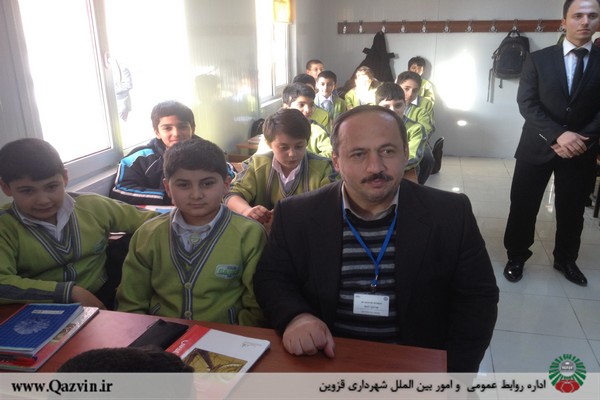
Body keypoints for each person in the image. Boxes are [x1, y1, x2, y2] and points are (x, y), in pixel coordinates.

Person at [254, 105, 498, 373]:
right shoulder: (296, 214)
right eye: (358, 154)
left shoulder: (450, 214)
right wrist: (296, 317)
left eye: (388, 151)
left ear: (406, 153)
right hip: (323, 361)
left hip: (415, 367)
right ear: (336, 161)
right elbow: (272, 277)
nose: (375, 167)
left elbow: (478, 299)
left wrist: (453, 375)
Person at [116, 139, 266, 326]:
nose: (196, 195)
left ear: (226, 184)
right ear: (168, 188)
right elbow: (131, 302)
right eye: (183, 185)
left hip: (227, 336)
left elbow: (257, 306)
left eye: (207, 183)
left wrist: (237, 335)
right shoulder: (148, 234)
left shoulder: (250, 234)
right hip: (160, 336)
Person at [503, 0, 600, 287]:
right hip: (536, 145)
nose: (585, 21)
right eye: (578, 15)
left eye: (592, 16)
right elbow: (527, 103)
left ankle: (566, 259)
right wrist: (559, 135)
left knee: (572, 210)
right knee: (523, 205)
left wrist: (581, 138)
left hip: (582, 149)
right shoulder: (539, 59)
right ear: (564, 21)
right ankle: (516, 256)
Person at [0, 138, 158, 309]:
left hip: (106, 294)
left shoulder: (93, 205)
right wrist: (68, 292)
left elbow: (154, 222)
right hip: (41, 308)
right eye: (27, 191)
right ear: (6, 188)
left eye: (51, 187)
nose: (43, 200)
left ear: (65, 178)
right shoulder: (5, 226)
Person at [225, 108, 335, 228]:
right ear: (269, 144)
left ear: (307, 142)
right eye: (284, 147)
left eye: (299, 146)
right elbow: (231, 194)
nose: (292, 154)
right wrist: (246, 210)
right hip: (263, 234)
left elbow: (330, 205)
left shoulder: (323, 168)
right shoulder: (257, 164)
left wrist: (287, 215)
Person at [110, 100, 234, 206]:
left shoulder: (210, 153)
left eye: (182, 126)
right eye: (167, 128)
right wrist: (172, 196)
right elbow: (120, 191)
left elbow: (232, 179)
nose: (176, 133)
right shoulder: (138, 159)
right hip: (155, 219)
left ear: (193, 128)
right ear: (157, 132)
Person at [256, 83, 332, 158]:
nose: (308, 110)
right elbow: (261, 157)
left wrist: (305, 159)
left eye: (311, 105)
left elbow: (331, 153)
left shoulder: (317, 130)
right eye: (301, 105)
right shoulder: (274, 128)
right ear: (286, 107)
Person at [375, 82, 427, 184]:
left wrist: (383, 169)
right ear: (376, 108)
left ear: (405, 105)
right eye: (386, 106)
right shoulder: (369, 128)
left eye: (398, 105)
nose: (393, 110)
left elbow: (412, 158)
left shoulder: (416, 129)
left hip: (404, 173)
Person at [397, 71, 435, 184]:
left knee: (427, 158)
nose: (410, 94)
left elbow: (427, 128)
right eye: (406, 88)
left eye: (415, 90)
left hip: (418, 139)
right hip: (393, 139)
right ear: (398, 86)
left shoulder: (425, 105)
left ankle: (419, 185)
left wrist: (413, 138)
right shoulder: (390, 101)